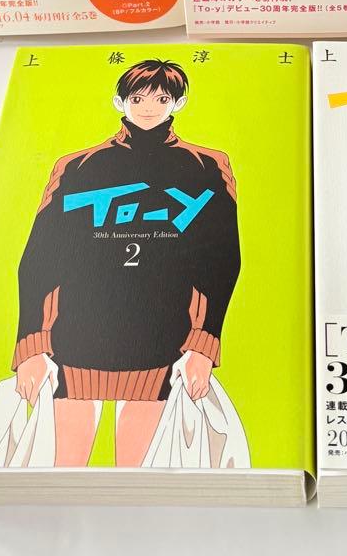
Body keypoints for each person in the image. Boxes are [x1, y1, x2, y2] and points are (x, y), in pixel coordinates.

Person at [12, 59, 241, 467]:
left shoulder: (208, 167)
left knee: (136, 471)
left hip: (161, 334)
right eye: (138, 98)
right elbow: (40, 259)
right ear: (120, 102)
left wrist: (203, 345)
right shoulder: (76, 166)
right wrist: (32, 344)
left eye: (161, 98)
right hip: (78, 331)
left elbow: (220, 262)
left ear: (179, 103)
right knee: (66, 466)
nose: (149, 107)